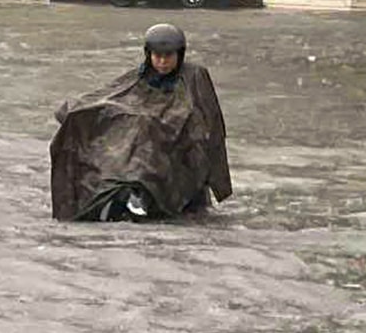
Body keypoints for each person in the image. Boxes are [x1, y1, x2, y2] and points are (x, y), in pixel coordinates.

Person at [50, 23, 232, 222]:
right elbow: (112, 95)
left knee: (147, 129)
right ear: (148, 54)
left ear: (179, 55)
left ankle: (144, 193)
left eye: (168, 56)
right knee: (127, 131)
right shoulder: (141, 75)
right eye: (157, 56)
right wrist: (77, 112)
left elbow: (209, 117)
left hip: (179, 141)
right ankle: (115, 190)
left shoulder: (195, 76)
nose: (162, 62)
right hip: (143, 140)